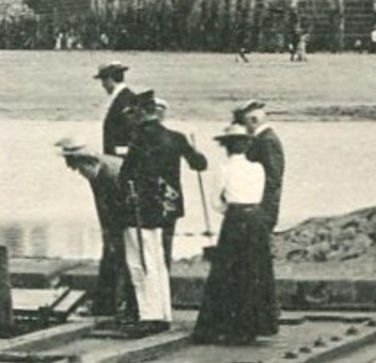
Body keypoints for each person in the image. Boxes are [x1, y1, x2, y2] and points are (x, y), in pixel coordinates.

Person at [193, 124, 278, 345]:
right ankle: (255, 325)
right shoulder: (258, 168)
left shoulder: (223, 168)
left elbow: (215, 202)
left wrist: (230, 212)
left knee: (229, 273)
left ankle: (228, 325)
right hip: (256, 219)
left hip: (236, 220)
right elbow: (260, 195)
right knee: (255, 270)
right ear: (247, 145)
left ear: (226, 146)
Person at [56, 137, 132, 323]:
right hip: (117, 221)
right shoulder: (96, 171)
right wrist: (106, 231)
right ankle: (106, 306)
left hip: (131, 221)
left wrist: (115, 234)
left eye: (79, 168)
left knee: (122, 261)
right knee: (111, 259)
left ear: (89, 161)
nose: (78, 172)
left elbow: (122, 206)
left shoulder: (113, 173)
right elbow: (102, 204)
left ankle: (117, 307)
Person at [117, 95, 175, 335]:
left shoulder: (142, 138)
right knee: (157, 261)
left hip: (138, 209)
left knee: (140, 263)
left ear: (142, 112)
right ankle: (162, 312)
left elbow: (131, 173)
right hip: (157, 208)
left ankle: (149, 315)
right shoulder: (166, 136)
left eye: (134, 113)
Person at [128, 94, 208, 265]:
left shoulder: (138, 139)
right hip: (170, 200)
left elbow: (127, 172)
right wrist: (196, 151)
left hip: (146, 201)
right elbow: (199, 165)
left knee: (147, 249)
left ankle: (151, 287)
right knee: (166, 246)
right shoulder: (177, 138)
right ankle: (164, 285)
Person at [233, 99, 286, 231]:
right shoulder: (263, 139)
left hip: (262, 209)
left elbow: (273, 178)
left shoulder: (267, 141)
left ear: (254, 120)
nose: (242, 129)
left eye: (243, 123)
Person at [95, 62, 135, 158]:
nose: (103, 85)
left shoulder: (125, 99)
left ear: (110, 79)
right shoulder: (124, 97)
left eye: (103, 81)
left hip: (122, 158)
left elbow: (129, 130)